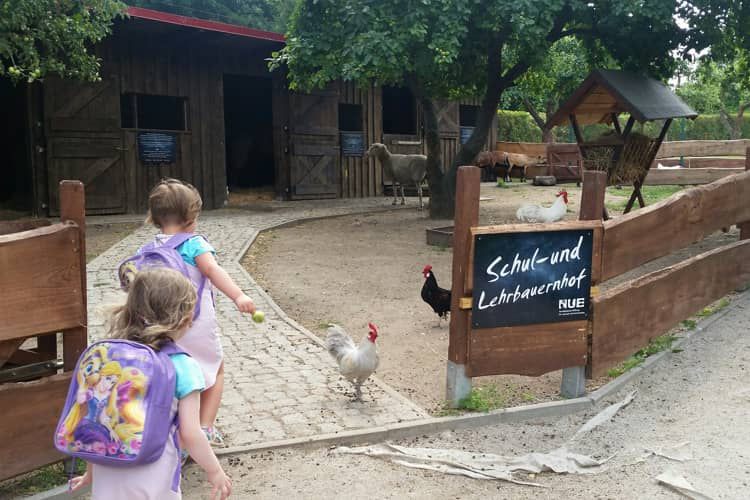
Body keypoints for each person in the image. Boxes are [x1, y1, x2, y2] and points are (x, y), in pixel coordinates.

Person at [70, 268, 232, 499]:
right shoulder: (183, 366)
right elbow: (191, 432)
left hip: (109, 463)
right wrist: (214, 470)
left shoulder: (112, 357)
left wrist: (91, 472)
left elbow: (98, 419)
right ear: (186, 319)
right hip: (153, 467)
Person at [144, 178, 256, 445]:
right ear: (190, 217)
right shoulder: (194, 244)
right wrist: (239, 295)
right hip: (196, 326)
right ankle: (203, 428)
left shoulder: (148, 249)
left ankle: (175, 431)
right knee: (214, 370)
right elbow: (213, 270)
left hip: (163, 329)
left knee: (175, 375)